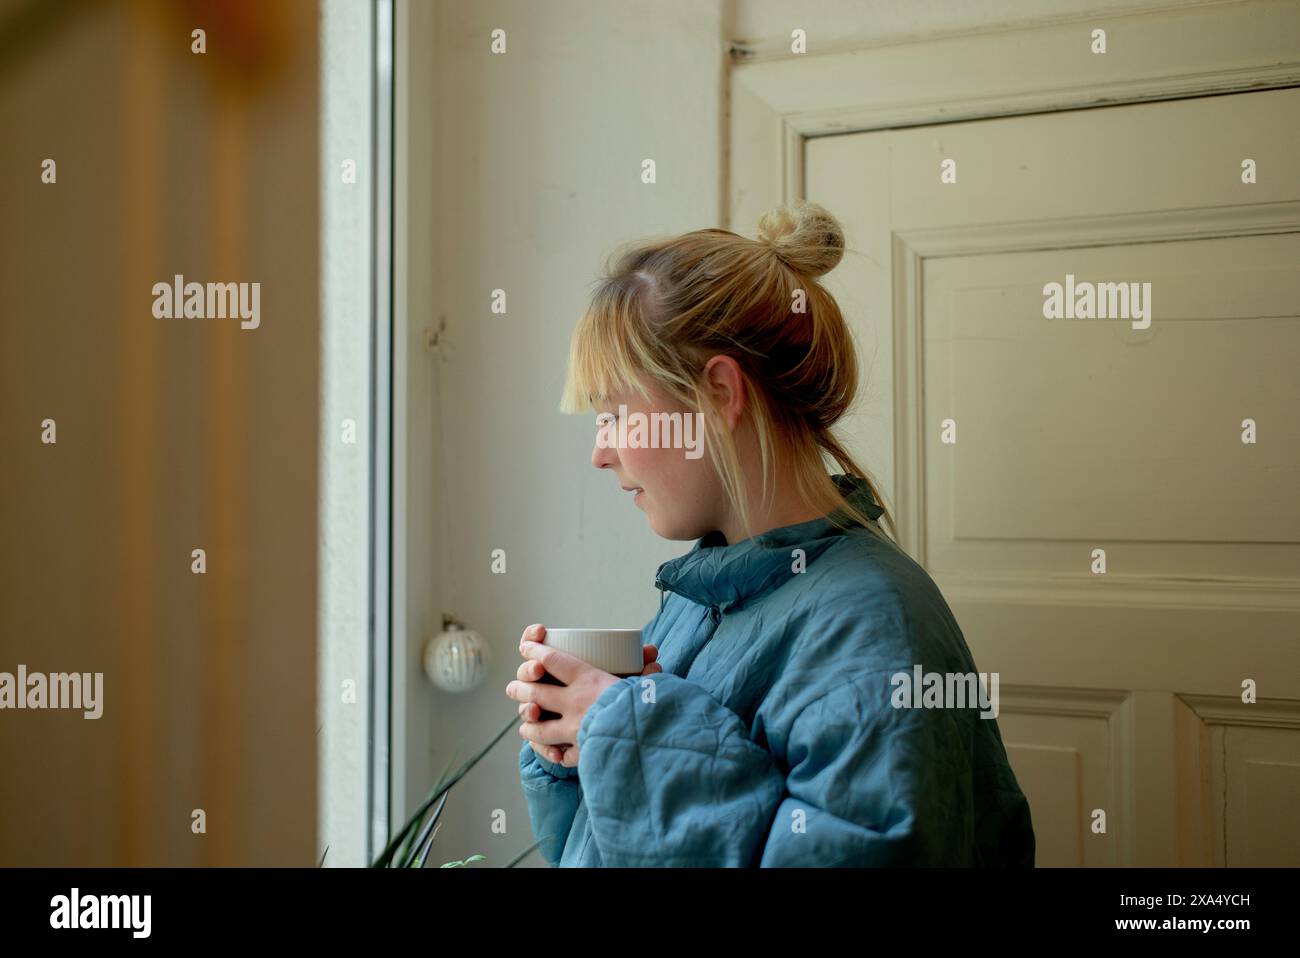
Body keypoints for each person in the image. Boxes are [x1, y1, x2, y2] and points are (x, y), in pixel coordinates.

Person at [506, 200, 1035, 867]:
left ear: (719, 394)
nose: (600, 452)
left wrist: (625, 728)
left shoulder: (873, 621)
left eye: (614, 414)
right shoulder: (702, 598)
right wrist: (576, 749)